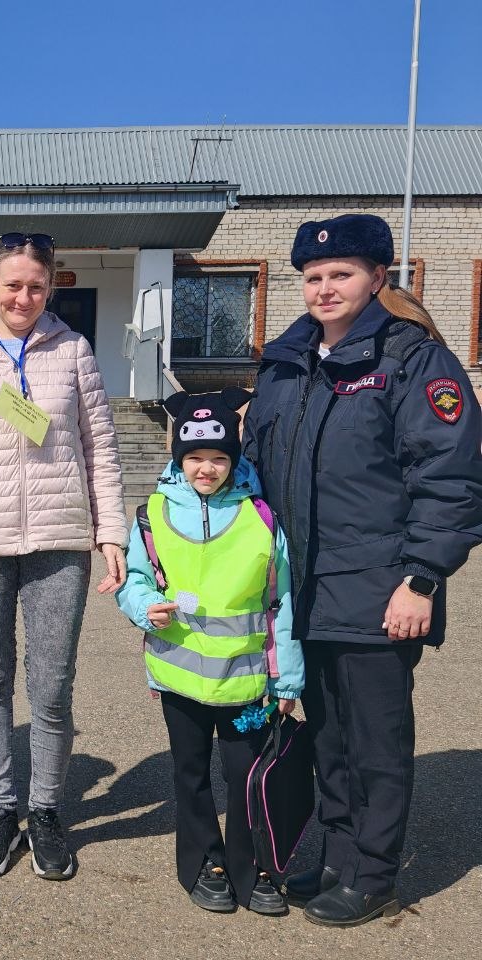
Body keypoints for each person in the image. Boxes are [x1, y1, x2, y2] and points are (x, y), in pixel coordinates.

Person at [242, 214, 482, 927]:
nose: (324, 288)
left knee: (375, 742)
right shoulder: (287, 361)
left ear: (379, 277)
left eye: (341, 274)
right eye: (313, 277)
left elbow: (451, 479)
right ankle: (339, 858)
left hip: (380, 589)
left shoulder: (414, 361)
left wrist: (422, 579)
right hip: (302, 589)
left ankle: (374, 873)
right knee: (326, 737)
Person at [0, 231, 128, 880]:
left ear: (50, 288)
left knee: (53, 684)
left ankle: (44, 811)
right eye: (13, 284)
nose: (24, 296)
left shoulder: (74, 353)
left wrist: (111, 534)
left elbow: (101, 450)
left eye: (36, 285)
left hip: (60, 543)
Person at [115, 388, 302, 916]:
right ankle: (204, 862)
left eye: (219, 458)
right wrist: (142, 604)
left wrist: (286, 680)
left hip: (246, 682)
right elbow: (134, 578)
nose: (206, 468)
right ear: (179, 457)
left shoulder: (261, 516)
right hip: (179, 680)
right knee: (189, 774)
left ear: (233, 460)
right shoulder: (151, 513)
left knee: (246, 776)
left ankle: (255, 865)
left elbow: (281, 601)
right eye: (195, 457)